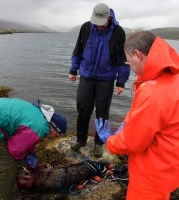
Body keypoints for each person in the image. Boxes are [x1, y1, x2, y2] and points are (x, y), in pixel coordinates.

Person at [95, 31, 179, 199]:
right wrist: (128, 123)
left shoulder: (153, 91)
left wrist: (110, 140)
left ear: (138, 54)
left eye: (129, 61)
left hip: (153, 173)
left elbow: (133, 142)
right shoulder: (176, 78)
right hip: (172, 164)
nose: (131, 69)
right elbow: (153, 117)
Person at [0, 97, 67, 200]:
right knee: (6, 166)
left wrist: (31, 153)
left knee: (9, 158)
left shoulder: (40, 117)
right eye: (57, 135)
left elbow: (25, 136)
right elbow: (14, 150)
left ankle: (7, 181)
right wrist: (26, 157)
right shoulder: (41, 127)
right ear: (54, 127)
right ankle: (11, 197)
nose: (56, 138)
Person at [69, 3, 130, 157]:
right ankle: (81, 139)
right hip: (86, 77)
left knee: (102, 113)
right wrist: (73, 69)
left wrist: (121, 82)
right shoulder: (86, 27)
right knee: (83, 109)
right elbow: (78, 50)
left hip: (106, 79)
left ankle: (98, 143)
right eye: (96, 21)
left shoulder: (118, 32)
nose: (98, 25)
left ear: (108, 18)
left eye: (101, 22)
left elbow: (123, 59)